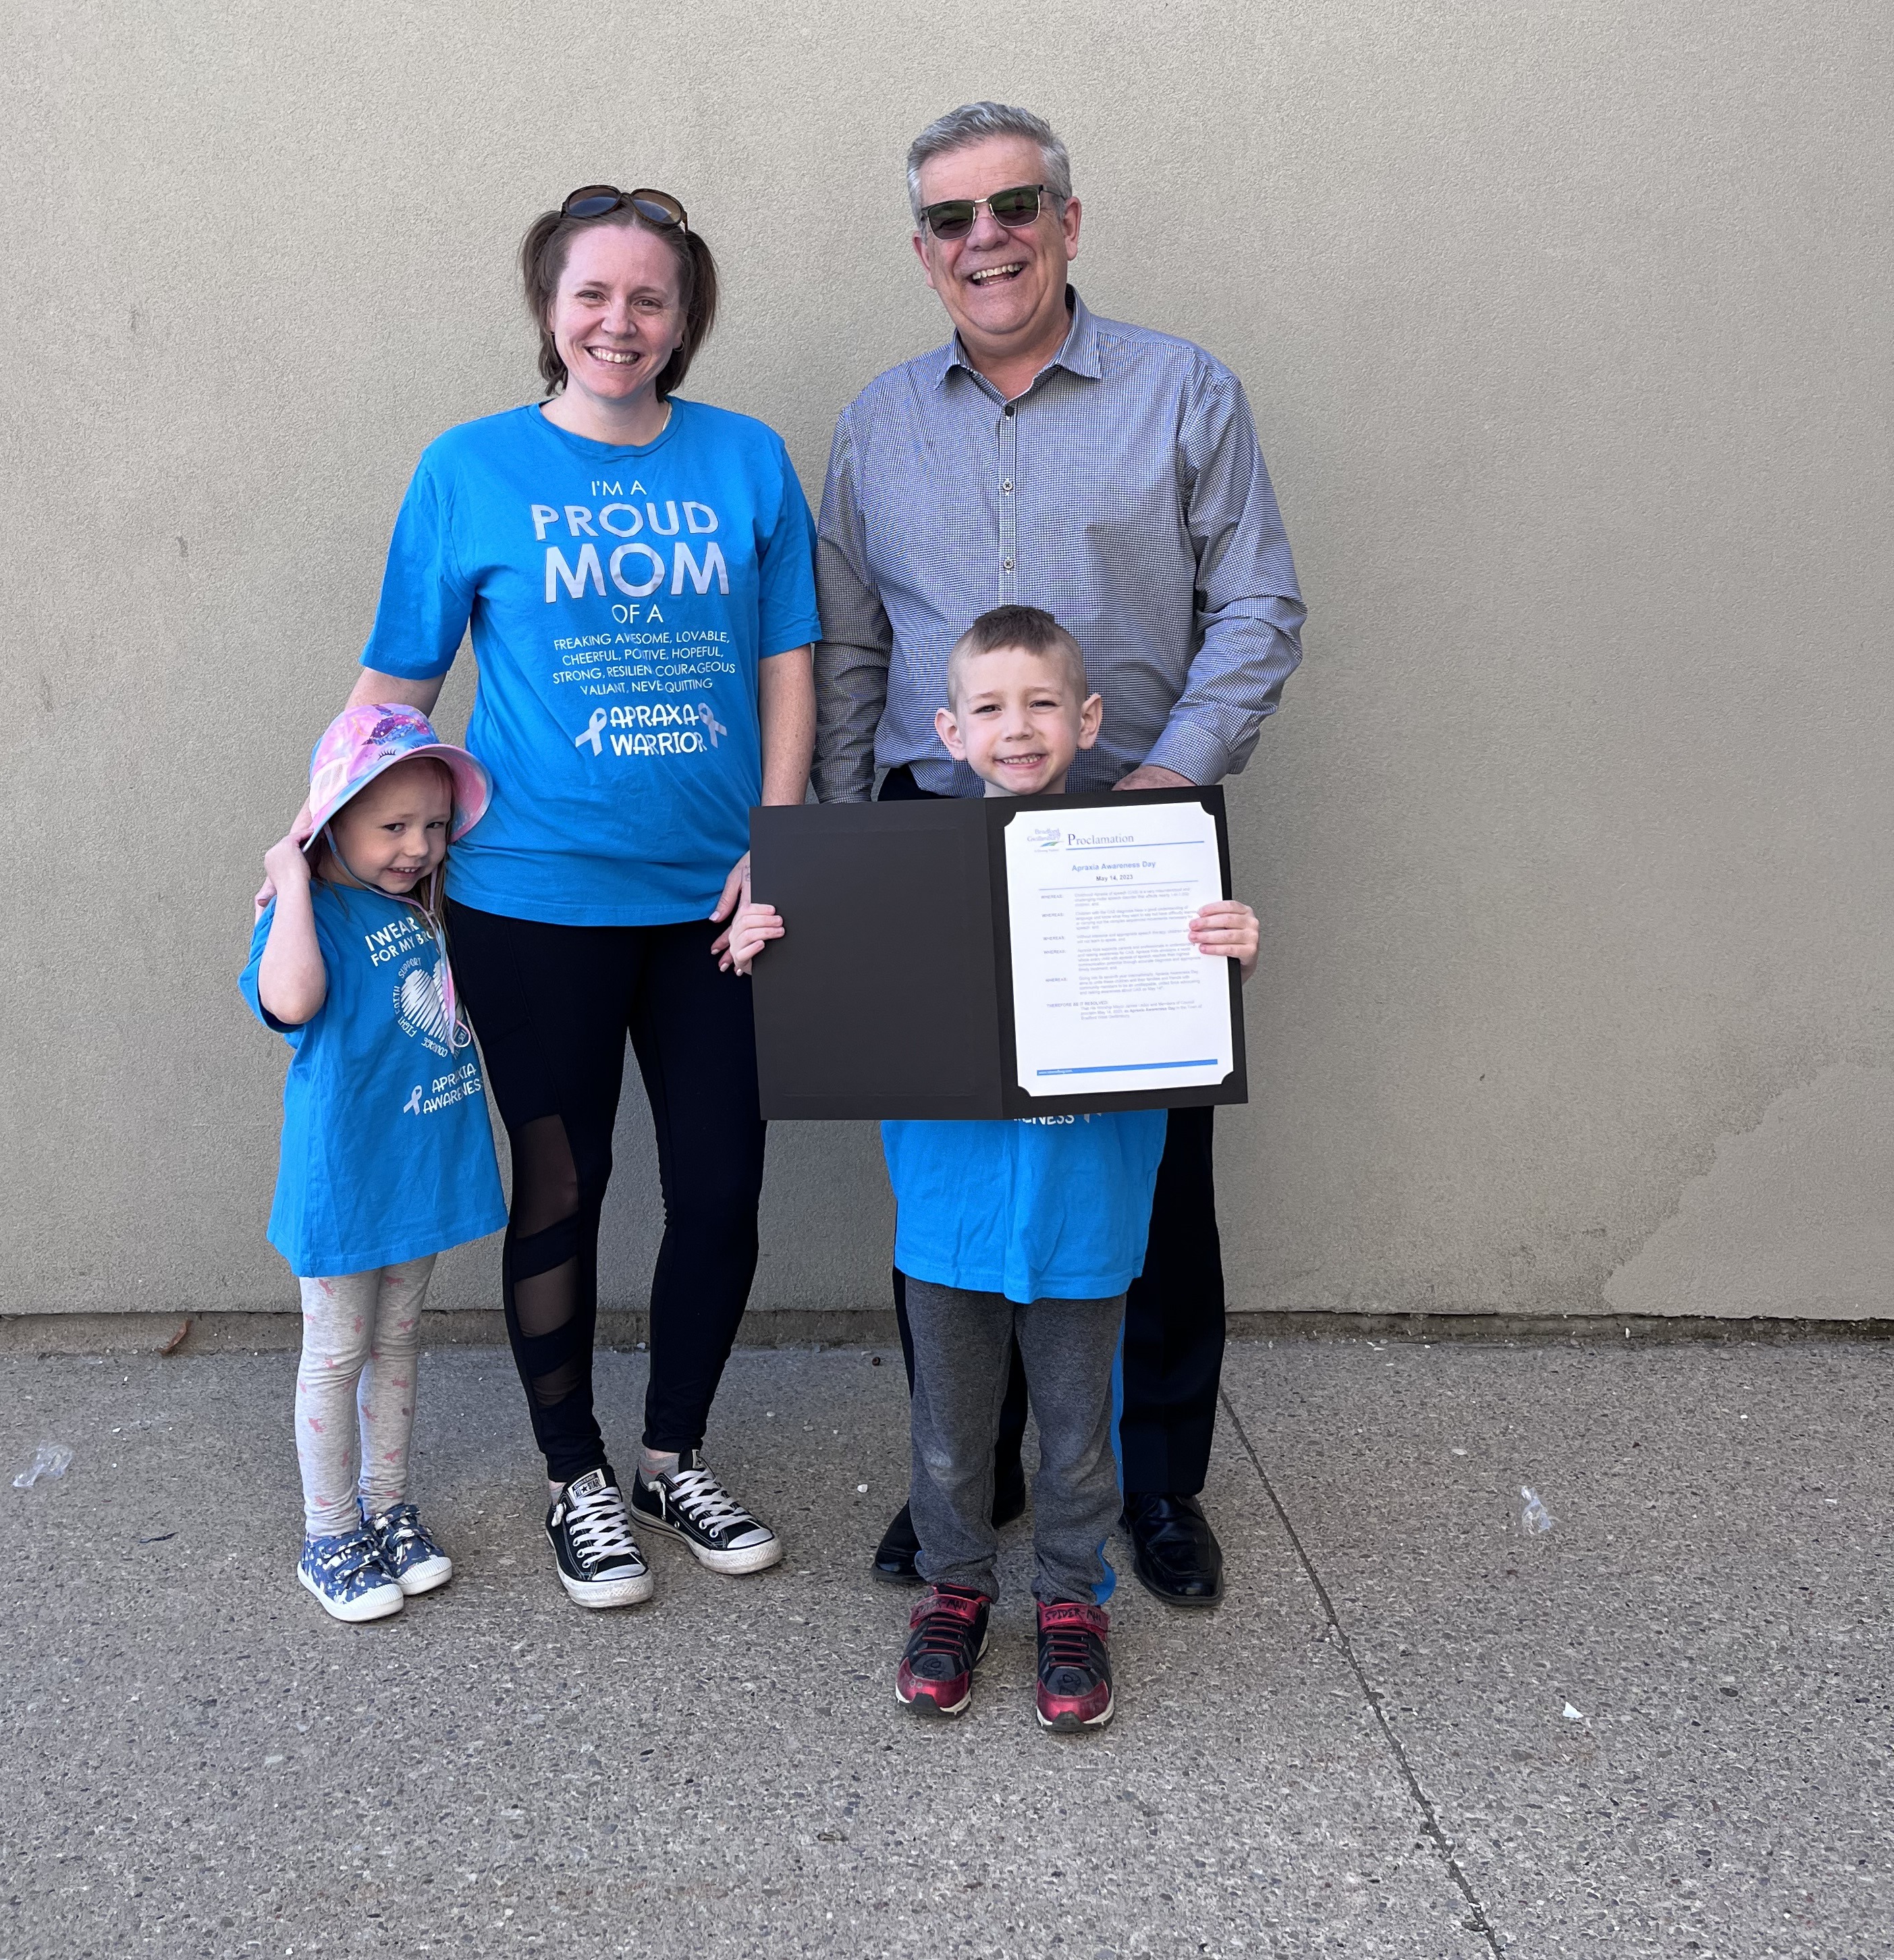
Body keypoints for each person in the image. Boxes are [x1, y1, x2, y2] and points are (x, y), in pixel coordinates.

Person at [817, 103, 1304, 1609]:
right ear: (922, 251)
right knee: (955, 1183)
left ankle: (1157, 1483)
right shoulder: (878, 424)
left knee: (1146, 1182)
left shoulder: (1183, 393)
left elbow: (1260, 610)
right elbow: (847, 645)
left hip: (1126, 839)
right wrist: (841, 862)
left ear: (1069, 221)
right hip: (929, 843)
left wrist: (1159, 795)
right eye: (954, 220)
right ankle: (973, 1473)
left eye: (1015, 206)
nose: (988, 238)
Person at [346, 187, 820, 1610]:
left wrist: (781, 840)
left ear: (686, 320)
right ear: (552, 311)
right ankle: (576, 1479)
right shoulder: (469, 470)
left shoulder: (747, 460)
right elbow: (397, 687)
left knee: (723, 1193)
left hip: (715, 911)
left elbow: (789, 658)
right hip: (532, 903)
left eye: (651, 300)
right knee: (563, 1188)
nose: (622, 323)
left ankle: (673, 1458)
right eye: (593, 296)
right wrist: (317, 848)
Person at [728, 606, 1261, 1728]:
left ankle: (1073, 1603)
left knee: (1076, 1439)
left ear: (1090, 717)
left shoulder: (1146, 860)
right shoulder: (889, 869)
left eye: (1042, 704)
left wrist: (1227, 951)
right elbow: (831, 986)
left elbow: (1189, 1011)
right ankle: (955, 1590)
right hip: (950, 1216)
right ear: (948, 729)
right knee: (950, 1435)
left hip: (1089, 1214)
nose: (1017, 729)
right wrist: (779, 948)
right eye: (989, 709)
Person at [244, 704, 506, 1623]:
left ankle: (388, 1509)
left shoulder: (414, 910)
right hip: (347, 1183)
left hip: (416, 1173)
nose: (418, 846)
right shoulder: (306, 916)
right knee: (337, 1353)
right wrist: (290, 873)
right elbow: (292, 1000)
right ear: (333, 821)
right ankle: (329, 1535)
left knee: (397, 1345)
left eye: (433, 826)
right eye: (392, 825)